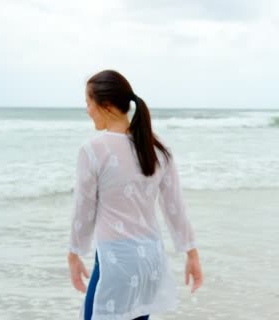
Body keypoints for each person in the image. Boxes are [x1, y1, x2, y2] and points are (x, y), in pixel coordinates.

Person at [67, 70, 203, 320]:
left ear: (105, 104)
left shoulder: (93, 150)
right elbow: (175, 208)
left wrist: (74, 254)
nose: (87, 110)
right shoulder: (157, 147)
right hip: (150, 261)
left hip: (115, 261)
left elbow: (83, 210)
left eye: (88, 102)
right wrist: (191, 253)